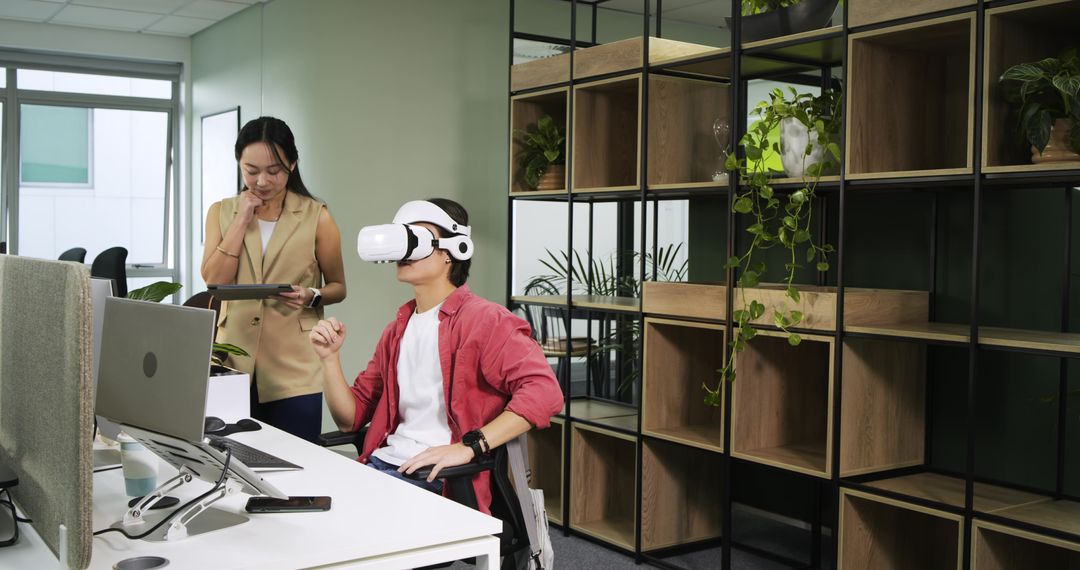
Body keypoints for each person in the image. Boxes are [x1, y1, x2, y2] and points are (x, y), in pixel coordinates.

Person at [309, 198, 562, 513]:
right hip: (381, 465)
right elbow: (350, 420)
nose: (405, 251)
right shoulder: (396, 330)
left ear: (450, 251)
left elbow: (545, 392)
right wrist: (329, 358)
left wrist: (469, 447)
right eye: (402, 240)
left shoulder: (485, 320)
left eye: (416, 240)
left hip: (436, 477)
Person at [201, 116, 346, 443]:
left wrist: (310, 294)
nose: (262, 181)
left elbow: (338, 286)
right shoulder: (221, 212)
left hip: (295, 367)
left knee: (297, 468)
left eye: (274, 170)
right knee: (233, 464)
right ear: (239, 163)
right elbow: (214, 281)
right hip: (233, 362)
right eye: (251, 171)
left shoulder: (317, 216)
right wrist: (241, 219)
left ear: (293, 164)